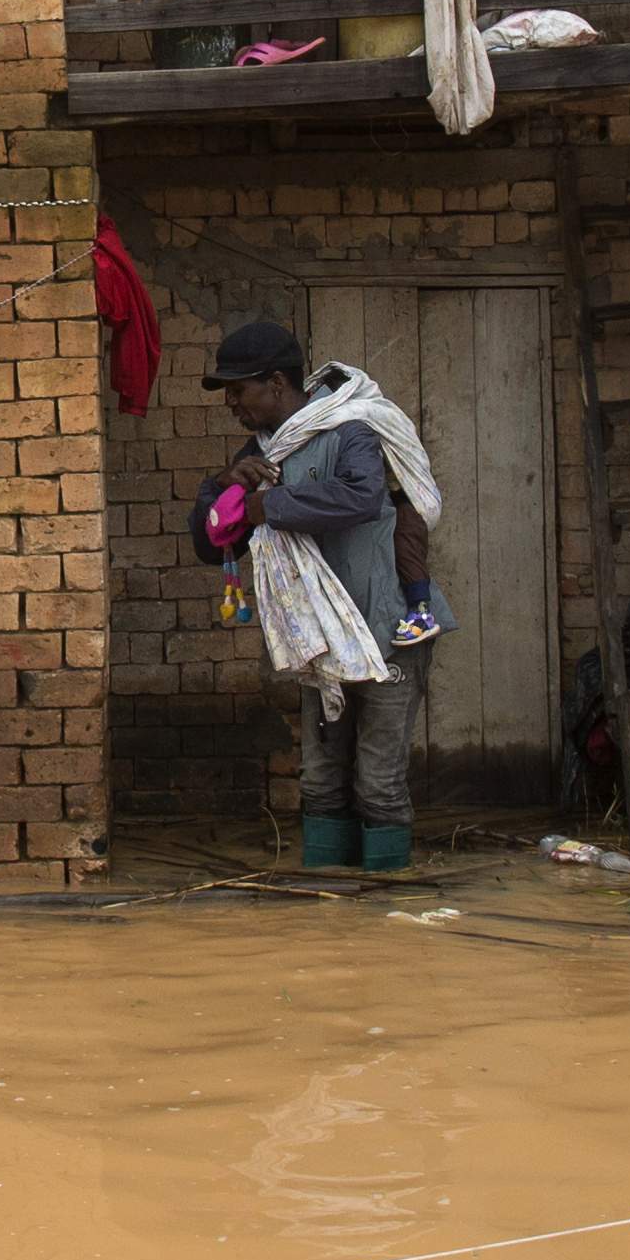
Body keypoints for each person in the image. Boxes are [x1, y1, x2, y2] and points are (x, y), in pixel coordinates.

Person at [198, 319, 444, 874]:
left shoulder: (352, 430)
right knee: (321, 783)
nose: (232, 402)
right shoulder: (258, 452)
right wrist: (224, 487)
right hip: (320, 643)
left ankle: (386, 910)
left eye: (239, 389)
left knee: (378, 785)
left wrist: (266, 505)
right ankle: (330, 913)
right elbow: (212, 543)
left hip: (387, 630)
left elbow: (361, 495)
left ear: (278, 383)